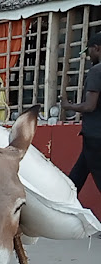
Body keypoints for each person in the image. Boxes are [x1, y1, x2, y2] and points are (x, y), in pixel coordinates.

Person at [63, 32, 101, 195]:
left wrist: (68, 106)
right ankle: (64, 203)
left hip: (95, 137)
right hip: (93, 138)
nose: (88, 56)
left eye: (89, 51)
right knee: (76, 178)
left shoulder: (96, 71)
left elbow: (90, 106)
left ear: (96, 48)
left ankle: (64, 201)